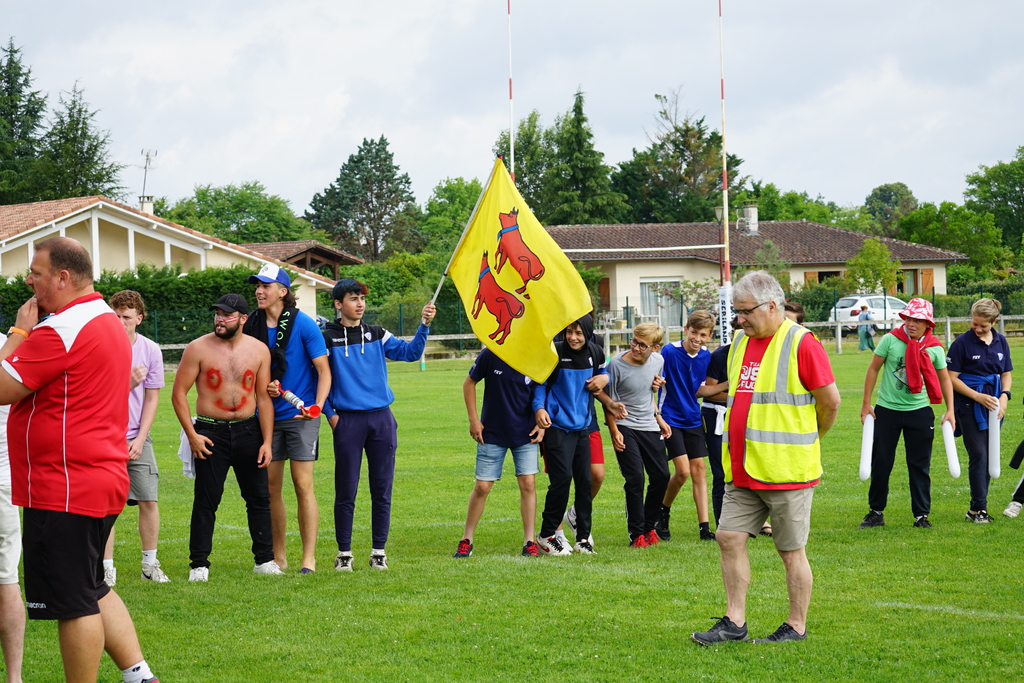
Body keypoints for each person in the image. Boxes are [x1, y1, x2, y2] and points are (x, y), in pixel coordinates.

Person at [0, 237, 158, 682]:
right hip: (96, 476)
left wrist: (19, 333)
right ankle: (139, 675)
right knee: (93, 586)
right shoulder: (105, 318)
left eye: (35, 273)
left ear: (62, 278)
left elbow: (2, 387)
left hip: (65, 484)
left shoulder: (62, 328)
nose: (28, 282)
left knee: (74, 602)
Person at [691, 270, 839, 646]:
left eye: (745, 311)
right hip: (742, 466)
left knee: (790, 551)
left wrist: (810, 439)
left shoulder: (802, 342)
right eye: (736, 312)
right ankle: (734, 623)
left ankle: (796, 626)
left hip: (786, 470)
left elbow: (830, 403)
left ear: (772, 306)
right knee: (728, 537)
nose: (739, 319)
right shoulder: (740, 343)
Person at [323, 279, 436, 571]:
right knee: (346, 490)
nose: (360, 304)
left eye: (361, 298)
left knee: (382, 488)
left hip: (382, 420)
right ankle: (344, 554)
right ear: (338, 304)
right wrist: (331, 415)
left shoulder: (377, 334)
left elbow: (410, 353)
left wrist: (424, 324)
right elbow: (316, 380)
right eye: (353, 298)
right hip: (347, 420)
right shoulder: (326, 338)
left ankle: (378, 552)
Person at [171, 293, 281, 581]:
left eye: (226, 315)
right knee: (206, 500)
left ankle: (264, 560)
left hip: (248, 430)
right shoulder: (197, 348)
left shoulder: (259, 350)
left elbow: (263, 398)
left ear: (242, 319)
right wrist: (193, 435)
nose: (219, 320)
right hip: (210, 432)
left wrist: (267, 442)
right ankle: (199, 565)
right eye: (217, 314)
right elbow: (178, 393)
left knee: (259, 498)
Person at [243, 264, 330, 573]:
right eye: (257, 286)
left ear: (282, 291)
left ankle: (309, 559)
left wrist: (316, 407)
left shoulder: (304, 324)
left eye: (265, 286)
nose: (259, 291)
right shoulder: (250, 324)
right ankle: (278, 557)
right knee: (270, 489)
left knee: (303, 485)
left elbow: (324, 371)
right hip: (264, 418)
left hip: (299, 416)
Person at [858, 297, 955, 530]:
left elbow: (944, 379)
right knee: (881, 463)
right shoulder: (890, 340)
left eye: (918, 320)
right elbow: (873, 369)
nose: (911, 324)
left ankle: (921, 515)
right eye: (909, 318)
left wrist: (950, 410)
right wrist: (866, 403)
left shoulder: (934, 348)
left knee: (919, 465)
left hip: (919, 412)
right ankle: (876, 512)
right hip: (887, 411)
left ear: (928, 323)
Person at [533, 315, 623, 555]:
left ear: (588, 333)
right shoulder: (554, 352)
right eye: (569, 332)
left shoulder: (596, 352)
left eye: (579, 333)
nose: (573, 337)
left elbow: (602, 374)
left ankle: (583, 538)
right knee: (561, 480)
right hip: (557, 427)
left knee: (584, 482)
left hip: (583, 427)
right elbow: (540, 384)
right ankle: (546, 534)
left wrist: (606, 377)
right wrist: (539, 408)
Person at [102, 290, 169, 586]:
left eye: (126, 317)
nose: (120, 322)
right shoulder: (99, 347)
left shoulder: (151, 350)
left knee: (149, 500)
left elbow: (152, 398)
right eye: (115, 316)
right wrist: (126, 383)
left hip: (136, 437)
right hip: (103, 437)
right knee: (105, 506)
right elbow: (96, 396)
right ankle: (106, 569)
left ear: (139, 319)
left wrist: (141, 439)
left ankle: (149, 565)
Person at [454, 348, 544, 558]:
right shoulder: (490, 354)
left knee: (528, 484)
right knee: (482, 486)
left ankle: (529, 542)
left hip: (526, 433)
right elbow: (469, 383)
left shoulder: (534, 355)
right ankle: (467, 539)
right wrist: (473, 420)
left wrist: (541, 424)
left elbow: (542, 390)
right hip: (492, 432)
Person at [605, 321, 671, 548]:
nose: (636, 347)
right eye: (634, 342)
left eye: (643, 345)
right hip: (625, 425)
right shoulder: (616, 364)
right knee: (635, 478)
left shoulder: (658, 361)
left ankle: (649, 527)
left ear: (655, 348)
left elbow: (651, 393)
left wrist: (658, 417)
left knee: (661, 476)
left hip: (649, 424)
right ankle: (636, 534)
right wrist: (614, 430)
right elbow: (609, 402)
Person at [948, 298, 1012, 523]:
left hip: (994, 407)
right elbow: (951, 378)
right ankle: (979, 509)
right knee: (979, 454)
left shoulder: (1001, 341)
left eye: (982, 326)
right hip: (968, 406)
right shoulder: (961, 343)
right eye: (974, 324)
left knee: (990, 455)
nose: (977, 328)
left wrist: (1004, 397)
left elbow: (1006, 373)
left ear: (994, 322)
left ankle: (976, 510)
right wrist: (977, 396)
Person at [657, 311, 717, 542]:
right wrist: (657, 415)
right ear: (686, 330)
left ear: (709, 336)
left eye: (703, 335)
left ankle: (705, 528)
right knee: (682, 472)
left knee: (699, 470)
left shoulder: (706, 356)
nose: (697, 338)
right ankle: (662, 511)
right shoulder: (669, 352)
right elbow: (656, 381)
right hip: (670, 418)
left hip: (693, 418)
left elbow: (699, 390)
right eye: (694, 332)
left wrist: (727, 384)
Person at [700, 317, 742, 531]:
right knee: (721, 472)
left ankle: (753, 521)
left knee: (744, 469)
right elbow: (708, 392)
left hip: (742, 416)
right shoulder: (720, 356)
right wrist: (738, 397)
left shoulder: (757, 356)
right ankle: (722, 524)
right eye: (738, 330)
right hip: (716, 416)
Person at [0, 333, 24, 683]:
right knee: (6, 581)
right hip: (7, 477)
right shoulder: (16, 343)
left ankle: (15, 677)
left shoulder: (16, 343)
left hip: (4, 478)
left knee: (7, 581)